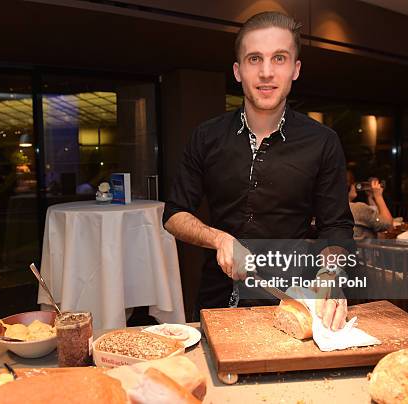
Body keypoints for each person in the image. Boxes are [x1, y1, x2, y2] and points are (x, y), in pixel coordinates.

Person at [162, 12, 354, 331]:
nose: (266, 72)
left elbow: (336, 227)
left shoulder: (323, 142)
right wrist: (218, 238)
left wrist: (330, 277)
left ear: (295, 69)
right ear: (238, 71)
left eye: (279, 58)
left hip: (294, 301)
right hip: (217, 303)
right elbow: (173, 214)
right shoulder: (206, 136)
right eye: (254, 59)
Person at [347, 172, 392, 239]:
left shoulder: (331, 209)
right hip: (366, 249)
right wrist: (378, 196)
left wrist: (370, 197)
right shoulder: (359, 208)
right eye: (353, 183)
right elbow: (388, 225)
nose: (355, 186)